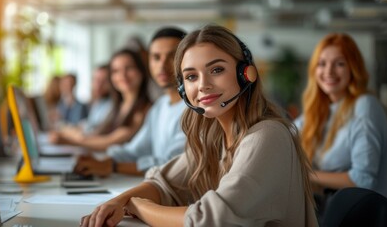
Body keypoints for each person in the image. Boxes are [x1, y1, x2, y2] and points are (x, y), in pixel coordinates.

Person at [80, 25, 317, 227]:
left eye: (216, 70)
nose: (203, 85)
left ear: (246, 73)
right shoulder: (212, 137)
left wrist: (138, 207)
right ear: (183, 88)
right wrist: (118, 202)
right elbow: (163, 183)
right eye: (191, 76)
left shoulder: (267, 135)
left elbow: (212, 219)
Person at [73, 27, 187, 177]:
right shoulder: (160, 106)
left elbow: (172, 164)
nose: (162, 65)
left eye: (172, 56)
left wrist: (112, 166)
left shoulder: (195, 110)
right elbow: (135, 150)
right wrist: (101, 160)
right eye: (156, 57)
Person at [294, 33, 387, 206]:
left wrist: (305, 174)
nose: (328, 71)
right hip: (338, 210)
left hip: (367, 216)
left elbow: (363, 180)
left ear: (353, 68)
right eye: (322, 64)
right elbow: (287, 133)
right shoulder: (320, 110)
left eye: (339, 64)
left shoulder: (365, 105)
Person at [50, 49, 152, 151]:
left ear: (141, 71)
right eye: (116, 71)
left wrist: (68, 141)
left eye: (129, 68)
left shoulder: (144, 109)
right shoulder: (118, 106)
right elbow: (96, 134)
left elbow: (110, 142)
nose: (122, 75)